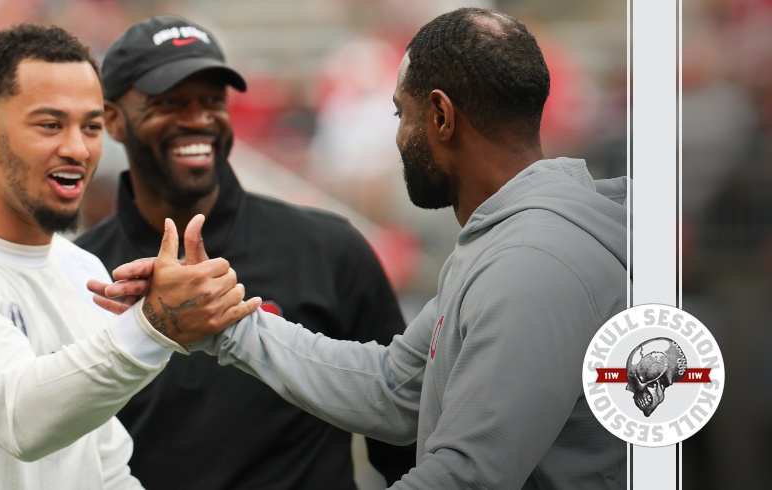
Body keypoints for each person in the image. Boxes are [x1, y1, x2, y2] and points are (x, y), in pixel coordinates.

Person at [96, 7, 629, 489]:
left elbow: (468, 476)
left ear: (441, 116)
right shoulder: (503, 243)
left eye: (401, 114)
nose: (398, 136)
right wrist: (223, 325)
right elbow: (395, 388)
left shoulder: (533, 264)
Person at [0, 23, 258, 489]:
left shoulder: (83, 269)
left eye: (91, 126)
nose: (77, 148)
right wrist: (153, 326)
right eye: (50, 124)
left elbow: (106, 468)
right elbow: (18, 415)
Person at [74, 14, 416, 489]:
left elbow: (406, 440)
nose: (198, 118)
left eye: (212, 100)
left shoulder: (327, 249)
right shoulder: (78, 273)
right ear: (112, 119)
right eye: (169, 102)